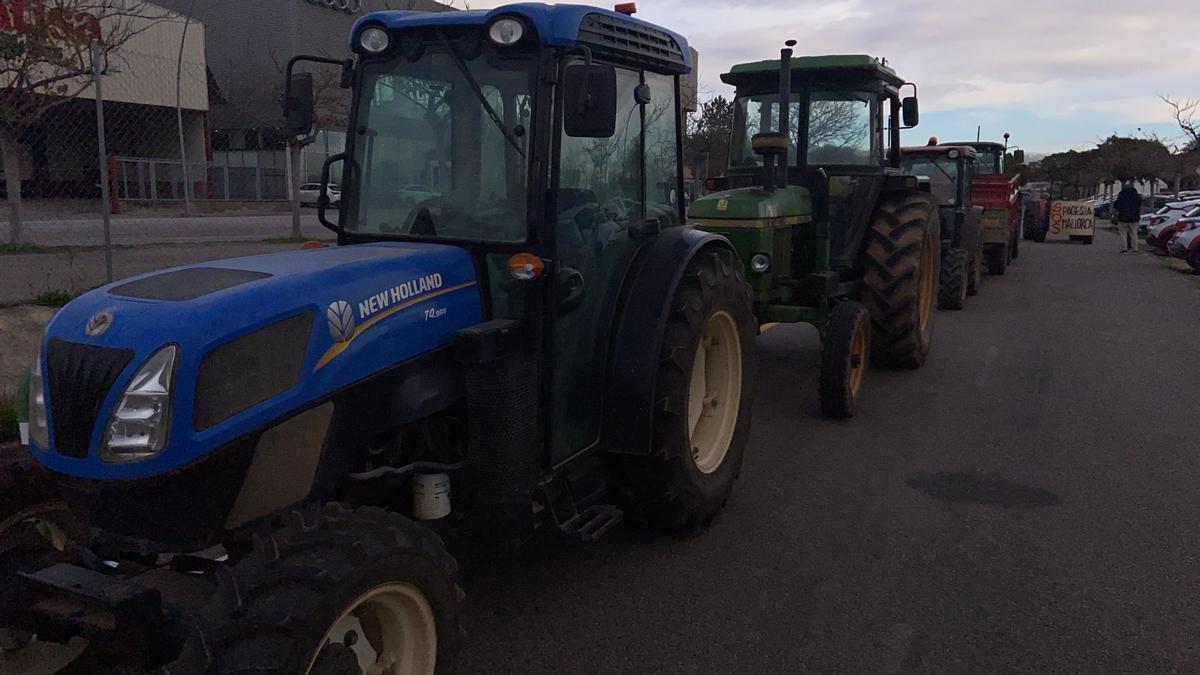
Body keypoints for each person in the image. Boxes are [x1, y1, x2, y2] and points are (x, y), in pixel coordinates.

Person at [1114, 181, 1142, 254]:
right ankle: (1135, 249)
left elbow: (1116, 205)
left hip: (1123, 217)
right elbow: (1139, 205)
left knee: (1123, 233)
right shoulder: (1137, 196)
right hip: (1134, 218)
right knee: (1134, 233)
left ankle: (1124, 249)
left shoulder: (1122, 195)